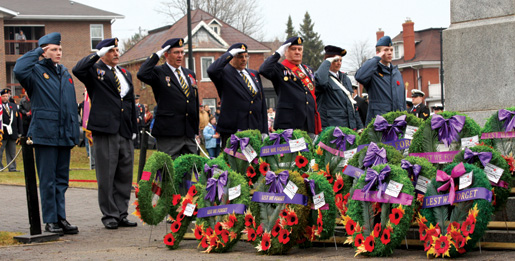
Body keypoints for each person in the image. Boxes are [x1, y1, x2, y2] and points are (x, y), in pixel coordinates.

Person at [13, 32, 80, 235]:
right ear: (44, 51)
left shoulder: (65, 73)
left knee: (61, 180)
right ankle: (50, 220)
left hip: (64, 134)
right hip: (46, 132)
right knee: (48, 179)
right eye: (53, 49)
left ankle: (61, 217)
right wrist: (38, 53)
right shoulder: (34, 72)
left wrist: (73, 132)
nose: (58, 52)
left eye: (60, 49)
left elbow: (69, 107)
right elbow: (18, 68)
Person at [73, 37, 138, 229]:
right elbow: (77, 69)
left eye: (117, 50)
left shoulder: (125, 73)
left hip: (125, 129)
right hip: (106, 129)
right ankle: (110, 215)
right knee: (107, 175)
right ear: (103, 53)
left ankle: (121, 213)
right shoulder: (94, 71)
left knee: (124, 175)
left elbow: (129, 103)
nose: (116, 54)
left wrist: (134, 128)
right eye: (111, 51)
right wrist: (96, 55)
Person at [136, 38, 199, 159]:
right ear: (166, 54)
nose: (180, 55)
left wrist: (195, 130)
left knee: (188, 170)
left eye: (182, 52)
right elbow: (141, 73)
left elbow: (193, 100)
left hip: (188, 132)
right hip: (169, 132)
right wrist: (156, 55)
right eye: (176, 52)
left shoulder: (189, 74)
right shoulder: (158, 72)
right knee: (169, 171)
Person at [207, 43, 268, 147]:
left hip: (254, 129)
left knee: (256, 162)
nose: (244, 59)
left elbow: (261, 103)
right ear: (231, 58)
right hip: (234, 130)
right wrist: (229, 54)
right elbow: (211, 70)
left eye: (246, 56)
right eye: (240, 56)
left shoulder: (253, 74)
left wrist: (264, 130)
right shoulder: (224, 73)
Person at [259, 36, 322, 138]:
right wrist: (278, 53)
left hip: (308, 122)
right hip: (289, 122)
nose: (297, 52)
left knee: (309, 153)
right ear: (286, 52)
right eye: (293, 49)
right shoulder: (279, 68)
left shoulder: (308, 70)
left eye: (299, 49)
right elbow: (263, 70)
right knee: (291, 154)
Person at [355, 36, 406, 125]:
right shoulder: (373, 71)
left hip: (397, 123)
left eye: (391, 50)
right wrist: (376, 58)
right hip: (379, 123)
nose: (390, 53)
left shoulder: (396, 73)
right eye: (386, 50)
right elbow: (359, 76)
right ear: (378, 53)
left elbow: (402, 101)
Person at [315, 45, 363, 131]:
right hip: (331, 128)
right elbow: (321, 83)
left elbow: (352, 106)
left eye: (341, 60)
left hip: (348, 128)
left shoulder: (345, 79)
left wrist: (359, 127)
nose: (339, 63)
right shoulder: (322, 77)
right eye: (336, 60)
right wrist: (327, 62)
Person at [0, 89, 22, 172]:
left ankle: (12, 167)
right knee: (0, 151)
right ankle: (0, 167)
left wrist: (20, 131)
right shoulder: (0, 107)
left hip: (12, 131)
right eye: (3, 96)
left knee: (12, 151)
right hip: (2, 132)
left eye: (7, 96)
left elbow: (18, 119)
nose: (5, 98)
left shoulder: (13, 105)